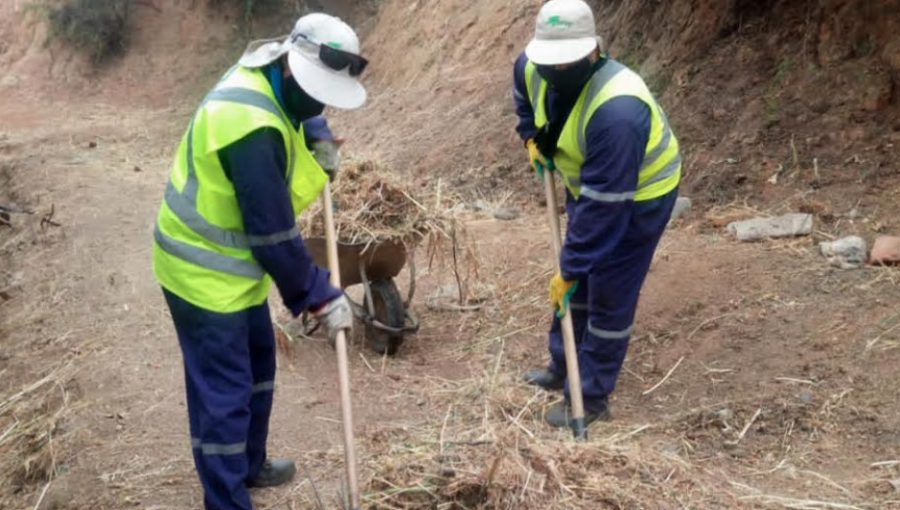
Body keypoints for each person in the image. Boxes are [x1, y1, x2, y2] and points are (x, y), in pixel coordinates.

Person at [151, 13, 368, 510]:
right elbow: (273, 236)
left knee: (258, 366)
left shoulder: (272, 68)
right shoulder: (249, 127)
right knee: (224, 394)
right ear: (291, 69)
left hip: (233, 267)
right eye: (316, 93)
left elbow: (298, 103)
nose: (320, 101)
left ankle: (250, 465)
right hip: (199, 270)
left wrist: (314, 129)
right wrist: (320, 294)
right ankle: (226, 500)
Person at [512, 0, 681, 428]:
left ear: (593, 51)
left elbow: (606, 209)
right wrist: (532, 137)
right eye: (550, 62)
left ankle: (590, 396)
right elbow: (523, 100)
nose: (556, 71)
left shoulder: (617, 111)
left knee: (606, 291)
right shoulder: (530, 66)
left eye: (568, 63)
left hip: (639, 196)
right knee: (575, 281)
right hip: (591, 186)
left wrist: (570, 268)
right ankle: (563, 365)